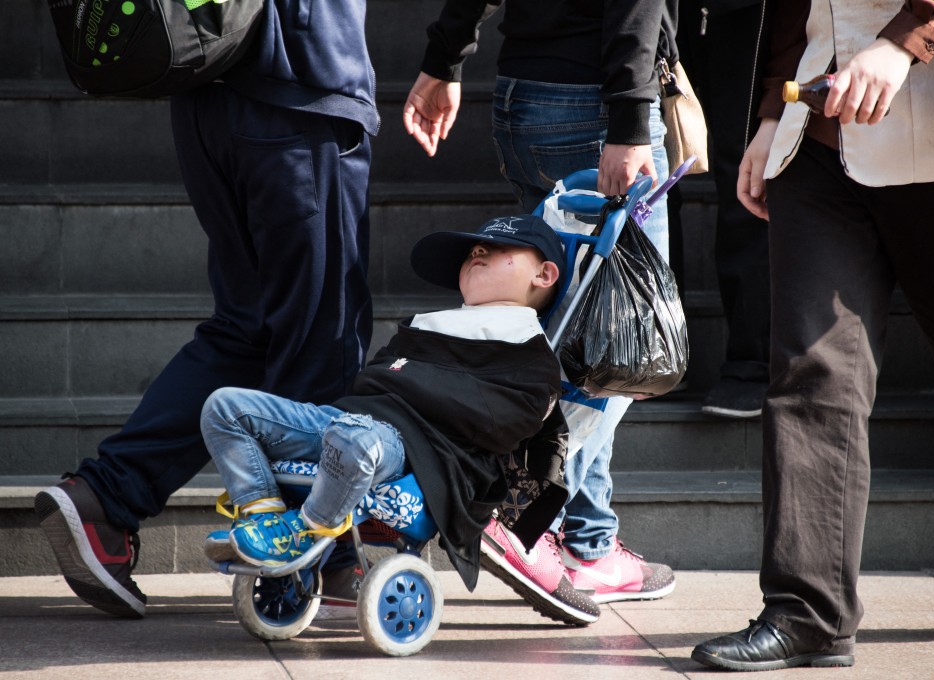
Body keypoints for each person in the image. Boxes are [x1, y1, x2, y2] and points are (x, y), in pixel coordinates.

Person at [691, 0, 934, 671]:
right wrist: (772, 114)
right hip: (820, 133)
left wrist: (904, 40)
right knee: (813, 372)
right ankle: (806, 611)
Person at [33, 0, 378, 619]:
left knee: (246, 332)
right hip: (297, 84)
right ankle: (313, 556)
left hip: (203, 88)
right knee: (320, 335)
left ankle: (105, 499)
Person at [403, 0, 676, 622]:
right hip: (597, 99)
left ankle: (585, 545)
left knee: (576, 332)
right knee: (627, 347)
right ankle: (502, 500)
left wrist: (445, 54)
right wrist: (632, 118)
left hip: (527, 95)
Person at [200, 214, 572, 594]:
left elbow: (506, 425)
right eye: (474, 249)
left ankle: (305, 529)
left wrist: (410, 387)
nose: (477, 250)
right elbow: (371, 381)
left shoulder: (532, 358)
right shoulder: (427, 323)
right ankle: (265, 516)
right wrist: (424, 389)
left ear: (543, 275)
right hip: (349, 420)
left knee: (354, 437)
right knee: (224, 406)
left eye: (499, 248)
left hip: (413, 450)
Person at [667, 0, 770, 417]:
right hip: (658, 13)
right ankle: (657, 351)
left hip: (743, 11)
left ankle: (753, 362)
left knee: (741, 161)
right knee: (654, 165)